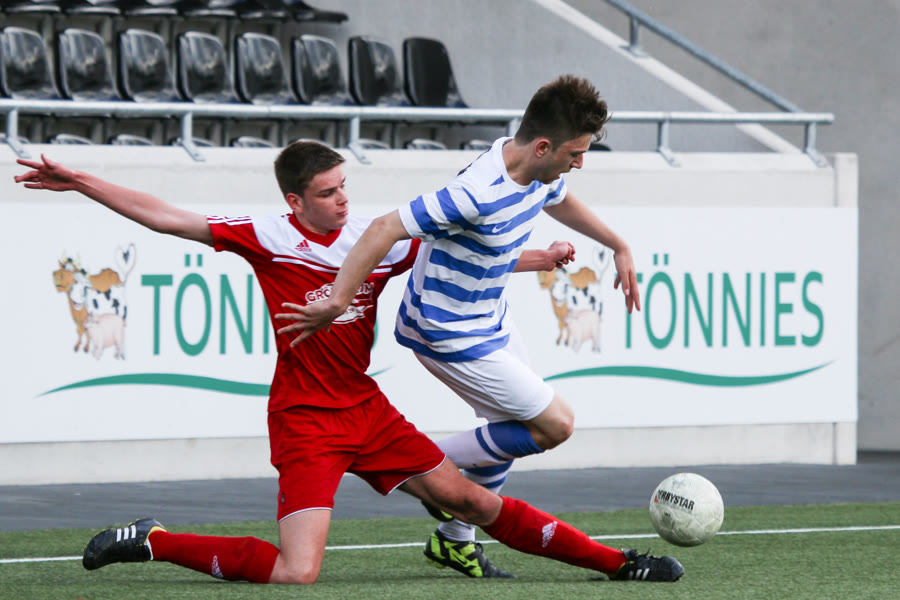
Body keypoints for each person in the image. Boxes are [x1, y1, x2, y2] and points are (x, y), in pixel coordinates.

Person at [14, 142, 682, 585]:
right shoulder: (268, 238)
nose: (342, 200)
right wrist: (80, 182)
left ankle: (619, 564)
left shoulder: (373, 239)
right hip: (306, 419)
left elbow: (461, 255)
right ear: (295, 202)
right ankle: (153, 541)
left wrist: (541, 258)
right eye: (329, 192)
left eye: (344, 187)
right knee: (296, 573)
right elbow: (166, 218)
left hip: (366, 410)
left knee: (471, 499)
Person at [275, 75, 642, 564]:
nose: (579, 163)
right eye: (575, 153)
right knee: (555, 425)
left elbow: (556, 199)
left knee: (507, 429)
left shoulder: (534, 169)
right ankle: (423, 470)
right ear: (543, 146)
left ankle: (454, 536)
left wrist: (617, 244)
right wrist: (338, 300)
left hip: (489, 315)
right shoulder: (475, 192)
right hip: (445, 330)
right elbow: (384, 227)